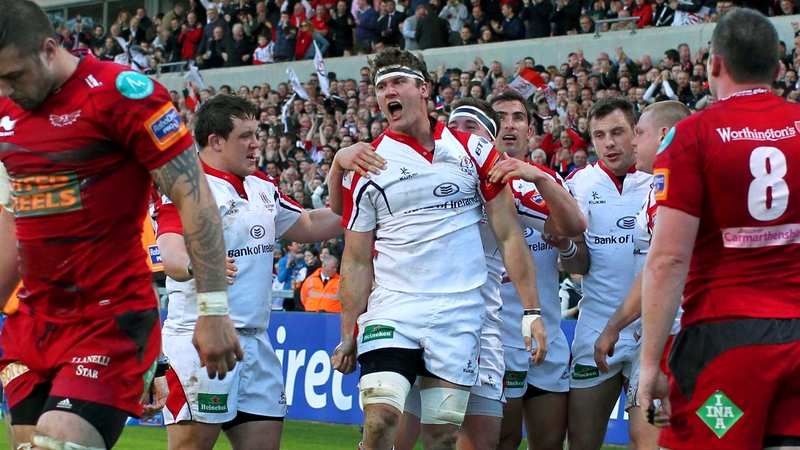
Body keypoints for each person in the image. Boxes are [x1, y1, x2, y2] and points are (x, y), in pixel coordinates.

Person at [0, 2, 240, 449]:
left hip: (109, 320)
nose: (6, 89)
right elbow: (15, 218)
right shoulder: (7, 111)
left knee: (58, 443)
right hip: (32, 325)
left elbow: (196, 197)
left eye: (14, 76)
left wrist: (212, 309)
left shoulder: (123, 95)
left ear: (49, 49)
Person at [330, 48, 547, 450]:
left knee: (443, 435)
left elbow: (509, 235)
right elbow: (356, 257)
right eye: (380, 87)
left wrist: (532, 312)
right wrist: (348, 331)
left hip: (459, 316)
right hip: (395, 307)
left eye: (397, 82)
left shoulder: (475, 151)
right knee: (380, 420)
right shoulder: (368, 163)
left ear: (423, 89)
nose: (387, 92)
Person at [639, 9, 800, 449]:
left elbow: (669, 259)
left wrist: (650, 364)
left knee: (708, 436)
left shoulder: (692, 136)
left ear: (714, 64)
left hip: (727, 346)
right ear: (779, 68)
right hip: (796, 340)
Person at [155, 94, 341, 450]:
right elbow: (171, 252)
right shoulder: (185, 185)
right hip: (199, 339)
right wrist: (199, 265)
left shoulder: (262, 185)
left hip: (256, 341)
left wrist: (365, 199)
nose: (257, 143)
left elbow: (310, 224)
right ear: (216, 141)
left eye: (257, 133)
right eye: (246, 136)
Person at [488, 91, 586, 450]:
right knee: (504, 441)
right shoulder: (473, 183)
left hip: (549, 337)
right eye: (501, 116)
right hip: (499, 338)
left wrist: (564, 246)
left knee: (549, 444)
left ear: (530, 130)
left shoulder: (549, 183)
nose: (509, 124)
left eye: (518, 117)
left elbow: (579, 262)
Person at [592, 100, 690, 450]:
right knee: (658, 436)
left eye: (639, 133)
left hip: (686, 337)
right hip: (670, 335)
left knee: (695, 433)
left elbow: (660, 268)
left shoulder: (677, 181)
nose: (633, 142)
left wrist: (613, 326)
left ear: (664, 135)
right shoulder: (656, 185)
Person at [560, 97, 652, 450]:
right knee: (581, 443)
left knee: (648, 443)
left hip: (652, 330)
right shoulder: (579, 183)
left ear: (636, 133)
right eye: (599, 135)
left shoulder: (658, 178)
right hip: (596, 325)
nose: (609, 143)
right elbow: (576, 265)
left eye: (617, 132)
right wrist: (566, 247)